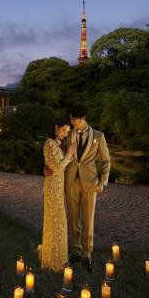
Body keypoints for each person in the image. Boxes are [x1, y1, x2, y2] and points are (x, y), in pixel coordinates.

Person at [45, 104, 111, 272]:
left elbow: (106, 161)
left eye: (74, 119)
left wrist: (102, 182)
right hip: (71, 182)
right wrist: (46, 169)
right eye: (71, 119)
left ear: (83, 119)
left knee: (88, 220)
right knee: (73, 219)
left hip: (90, 183)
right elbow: (55, 155)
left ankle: (86, 255)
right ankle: (75, 252)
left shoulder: (98, 136)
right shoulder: (68, 135)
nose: (72, 122)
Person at [39, 117, 76, 271]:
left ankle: (55, 254)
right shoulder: (49, 143)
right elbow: (58, 168)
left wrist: (46, 167)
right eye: (63, 130)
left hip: (57, 186)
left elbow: (51, 164)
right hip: (53, 187)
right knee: (57, 219)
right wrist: (69, 154)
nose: (65, 134)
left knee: (57, 220)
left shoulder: (55, 144)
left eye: (67, 132)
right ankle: (53, 258)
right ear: (56, 127)